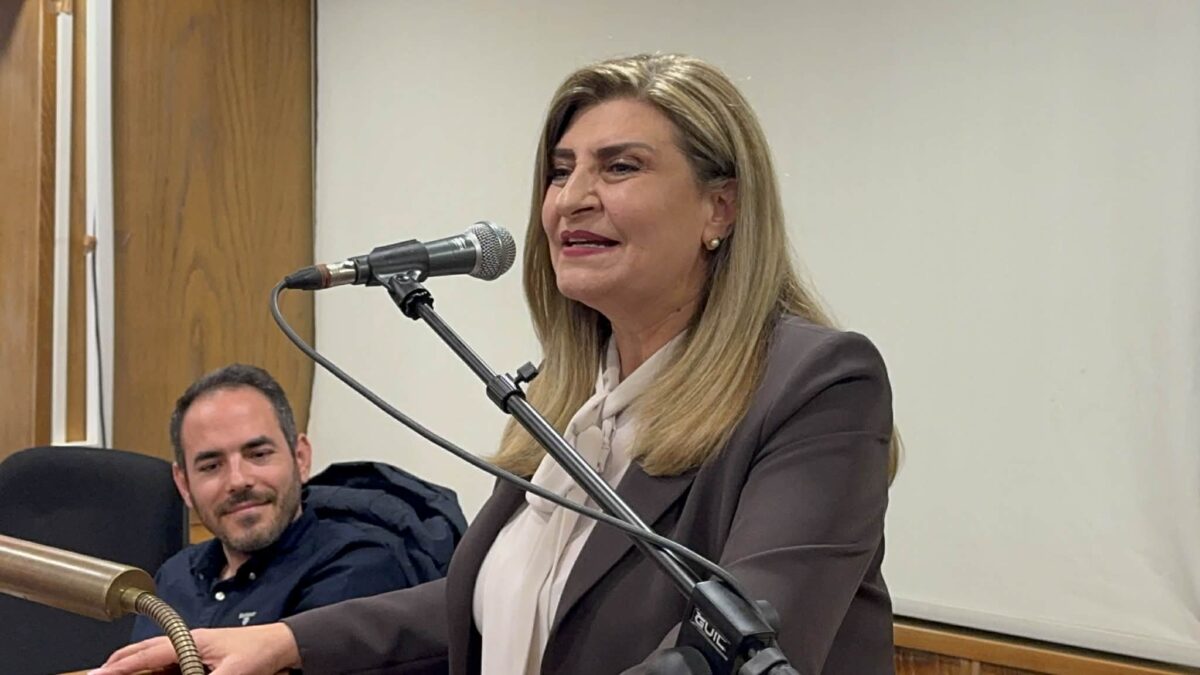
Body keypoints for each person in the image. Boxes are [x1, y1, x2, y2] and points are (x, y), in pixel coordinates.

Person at [97, 53, 898, 675]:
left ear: (719, 207)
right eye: (561, 170)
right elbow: (479, 599)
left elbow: (733, 648)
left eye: (619, 167)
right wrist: (285, 639)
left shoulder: (817, 385)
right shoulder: (567, 397)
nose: (572, 198)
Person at [129, 363, 466, 640]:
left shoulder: (359, 567)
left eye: (258, 454)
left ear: (301, 458)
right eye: (211, 466)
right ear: (184, 484)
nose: (238, 480)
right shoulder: (176, 575)